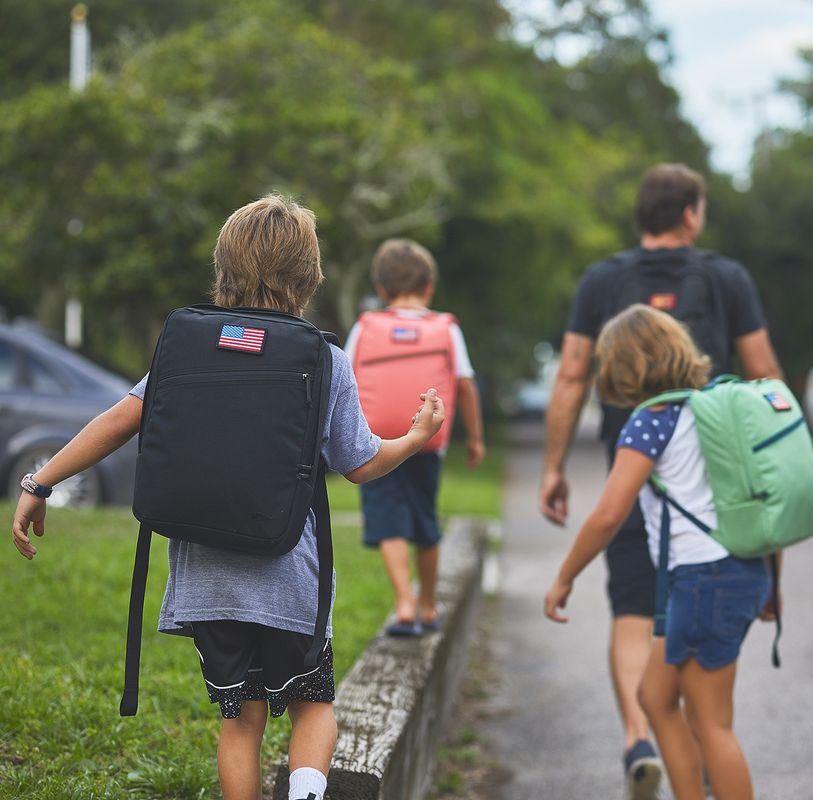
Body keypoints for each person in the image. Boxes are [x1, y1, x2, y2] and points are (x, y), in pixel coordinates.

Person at [10, 195, 445, 800]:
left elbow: (116, 422)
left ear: (223, 269)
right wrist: (415, 438)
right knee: (312, 704)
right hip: (289, 580)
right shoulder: (323, 359)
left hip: (205, 582)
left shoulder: (185, 349)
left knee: (240, 722)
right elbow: (362, 463)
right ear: (310, 275)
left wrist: (40, 483)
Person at [538, 163, 782, 796]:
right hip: (729, 547)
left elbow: (569, 380)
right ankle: (676, 771)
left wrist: (554, 475)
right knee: (664, 693)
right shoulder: (725, 286)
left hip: (695, 572)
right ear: (691, 214)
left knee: (700, 708)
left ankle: (638, 743)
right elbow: (764, 375)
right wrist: (773, 582)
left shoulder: (641, 418)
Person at [344, 238, 485, 636]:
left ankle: (403, 602)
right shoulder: (446, 329)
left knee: (387, 521)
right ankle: (427, 607)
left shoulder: (365, 327)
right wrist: (475, 439)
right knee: (425, 521)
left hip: (375, 446)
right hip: (426, 444)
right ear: (429, 288)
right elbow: (467, 386)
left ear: (382, 290)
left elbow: (346, 381)